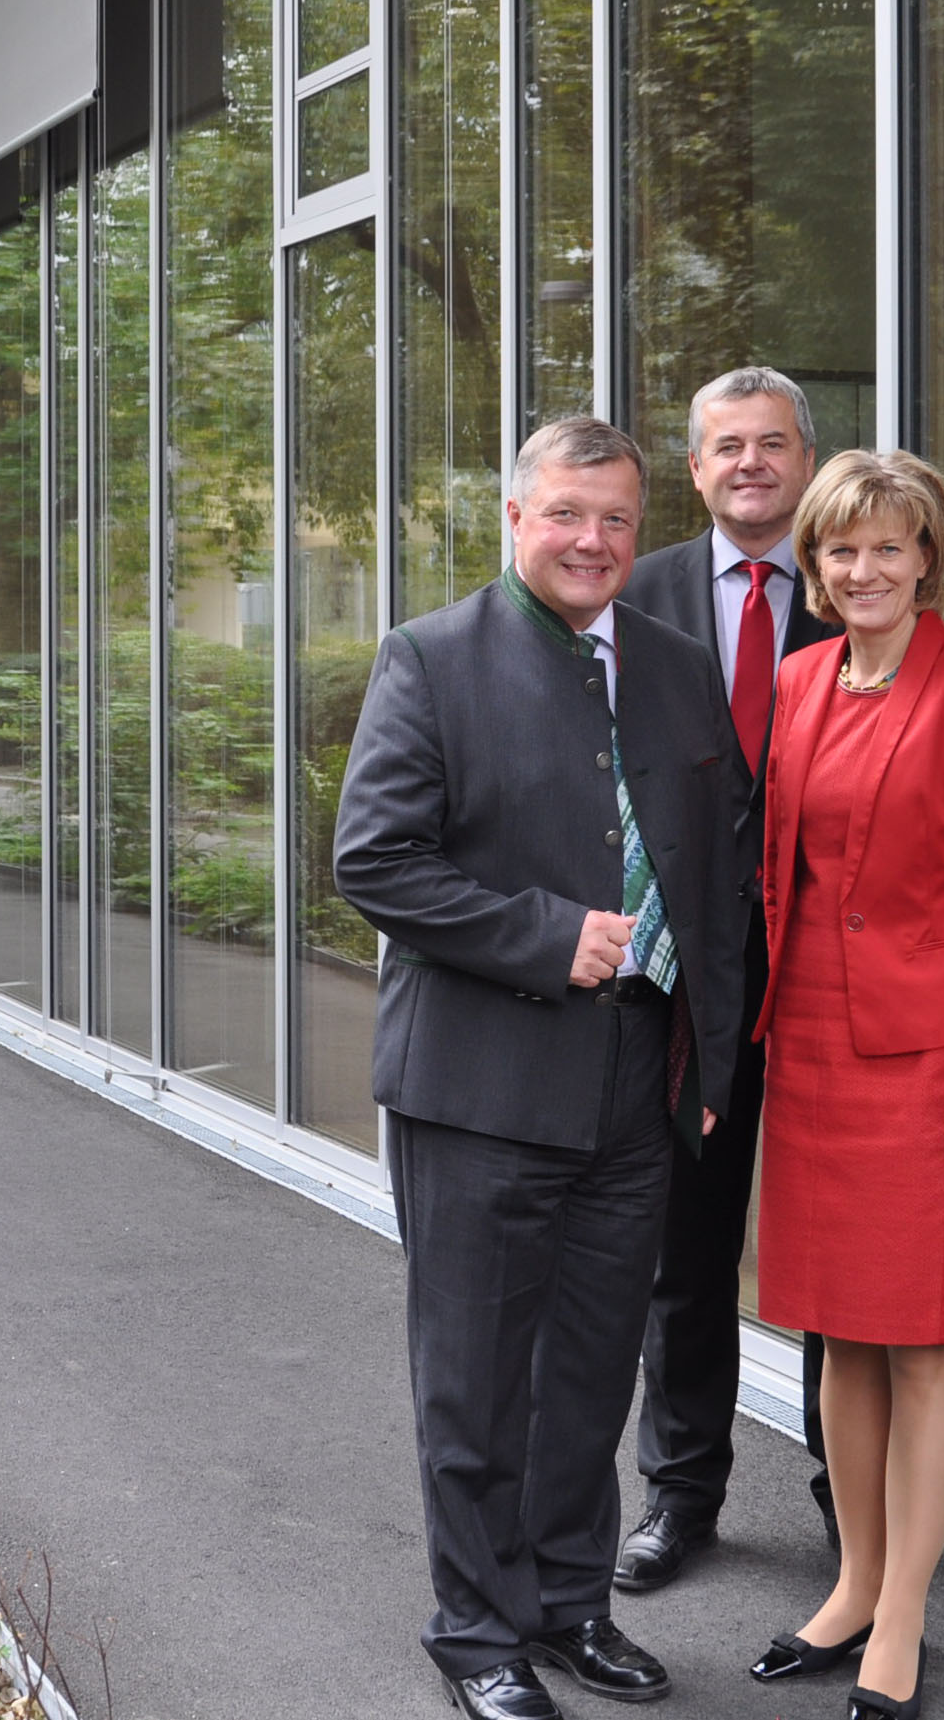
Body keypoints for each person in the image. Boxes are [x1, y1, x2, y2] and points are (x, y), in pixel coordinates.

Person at [334, 415, 755, 1720]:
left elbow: (720, 850)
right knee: (473, 1374)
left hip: (637, 1071)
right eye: (565, 514)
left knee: (585, 1365)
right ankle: (474, 1631)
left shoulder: (680, 666)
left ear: (641, 526)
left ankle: (570, 1606)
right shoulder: (430, 660)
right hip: (479, 1083)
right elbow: (375, 861)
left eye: (616, 518)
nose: (591, 540)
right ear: (515, 518)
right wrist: (544, 936)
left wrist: (711, 1045)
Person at [745, 449, 944, 1719]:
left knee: (922, 1345)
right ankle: (854, 1577)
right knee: (837, 1336)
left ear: (929, 555)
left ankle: (908, 1607)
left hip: (929, 1064)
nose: (860, 570)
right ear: (811, 567)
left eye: (886, 546)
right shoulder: (797, 678)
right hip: (806, 1048)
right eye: (836, 549)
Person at [613, 365, 836, 1589]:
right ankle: (680, 1492)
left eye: (773, 442)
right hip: (684, 988)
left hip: (825, 988)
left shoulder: (860, 584)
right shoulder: (634, 597)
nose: (750, 462)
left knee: (826, 1260)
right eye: (726, 446)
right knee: (681, 1254)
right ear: (694, 470)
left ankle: (843, 1506)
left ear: (807, 460)